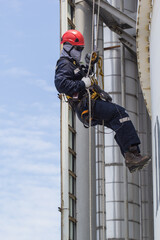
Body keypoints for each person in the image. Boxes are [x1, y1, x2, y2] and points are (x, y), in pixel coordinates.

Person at [54, 29, 151, 173]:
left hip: (87, 105)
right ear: (68, 47)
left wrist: (90, 64)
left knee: (117, 122)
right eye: (78, 48)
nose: (79, 51)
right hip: (85, 105)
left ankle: (131, 156)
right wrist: (83, 84)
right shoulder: (65, 64)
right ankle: (131, 155)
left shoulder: (73, 64)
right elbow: (61, 84)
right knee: (119, 113)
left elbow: (83, 76)